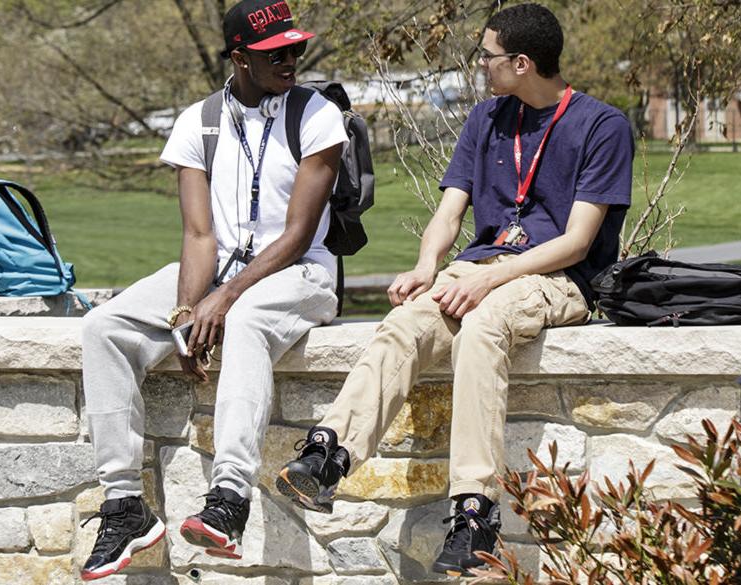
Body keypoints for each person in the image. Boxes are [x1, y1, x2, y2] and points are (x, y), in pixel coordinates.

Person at [276, 2, 634, 578]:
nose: (480, 67)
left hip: (557, 278)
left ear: (522, 63)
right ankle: (327, 457)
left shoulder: (602, 126)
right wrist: (426, 265)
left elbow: (577, 240)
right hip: (479, 270)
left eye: (487, 57)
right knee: (405, 323)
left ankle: (474, 512)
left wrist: (494, 277)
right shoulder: (487, 119)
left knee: (485, 326)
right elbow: (449, 211)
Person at [79, 0, 347, 580]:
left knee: (246, 317)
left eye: (295, 48)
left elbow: (298, 236)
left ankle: (229, 499)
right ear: (239, 57)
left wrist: (222, 299)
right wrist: (184, 311)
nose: (291, 59)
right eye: (275, 52)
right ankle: (124, 506)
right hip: (220, 270)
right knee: (104, 328)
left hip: (300, 275)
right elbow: (199, 236)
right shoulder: (199, 121)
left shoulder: (318, 116)